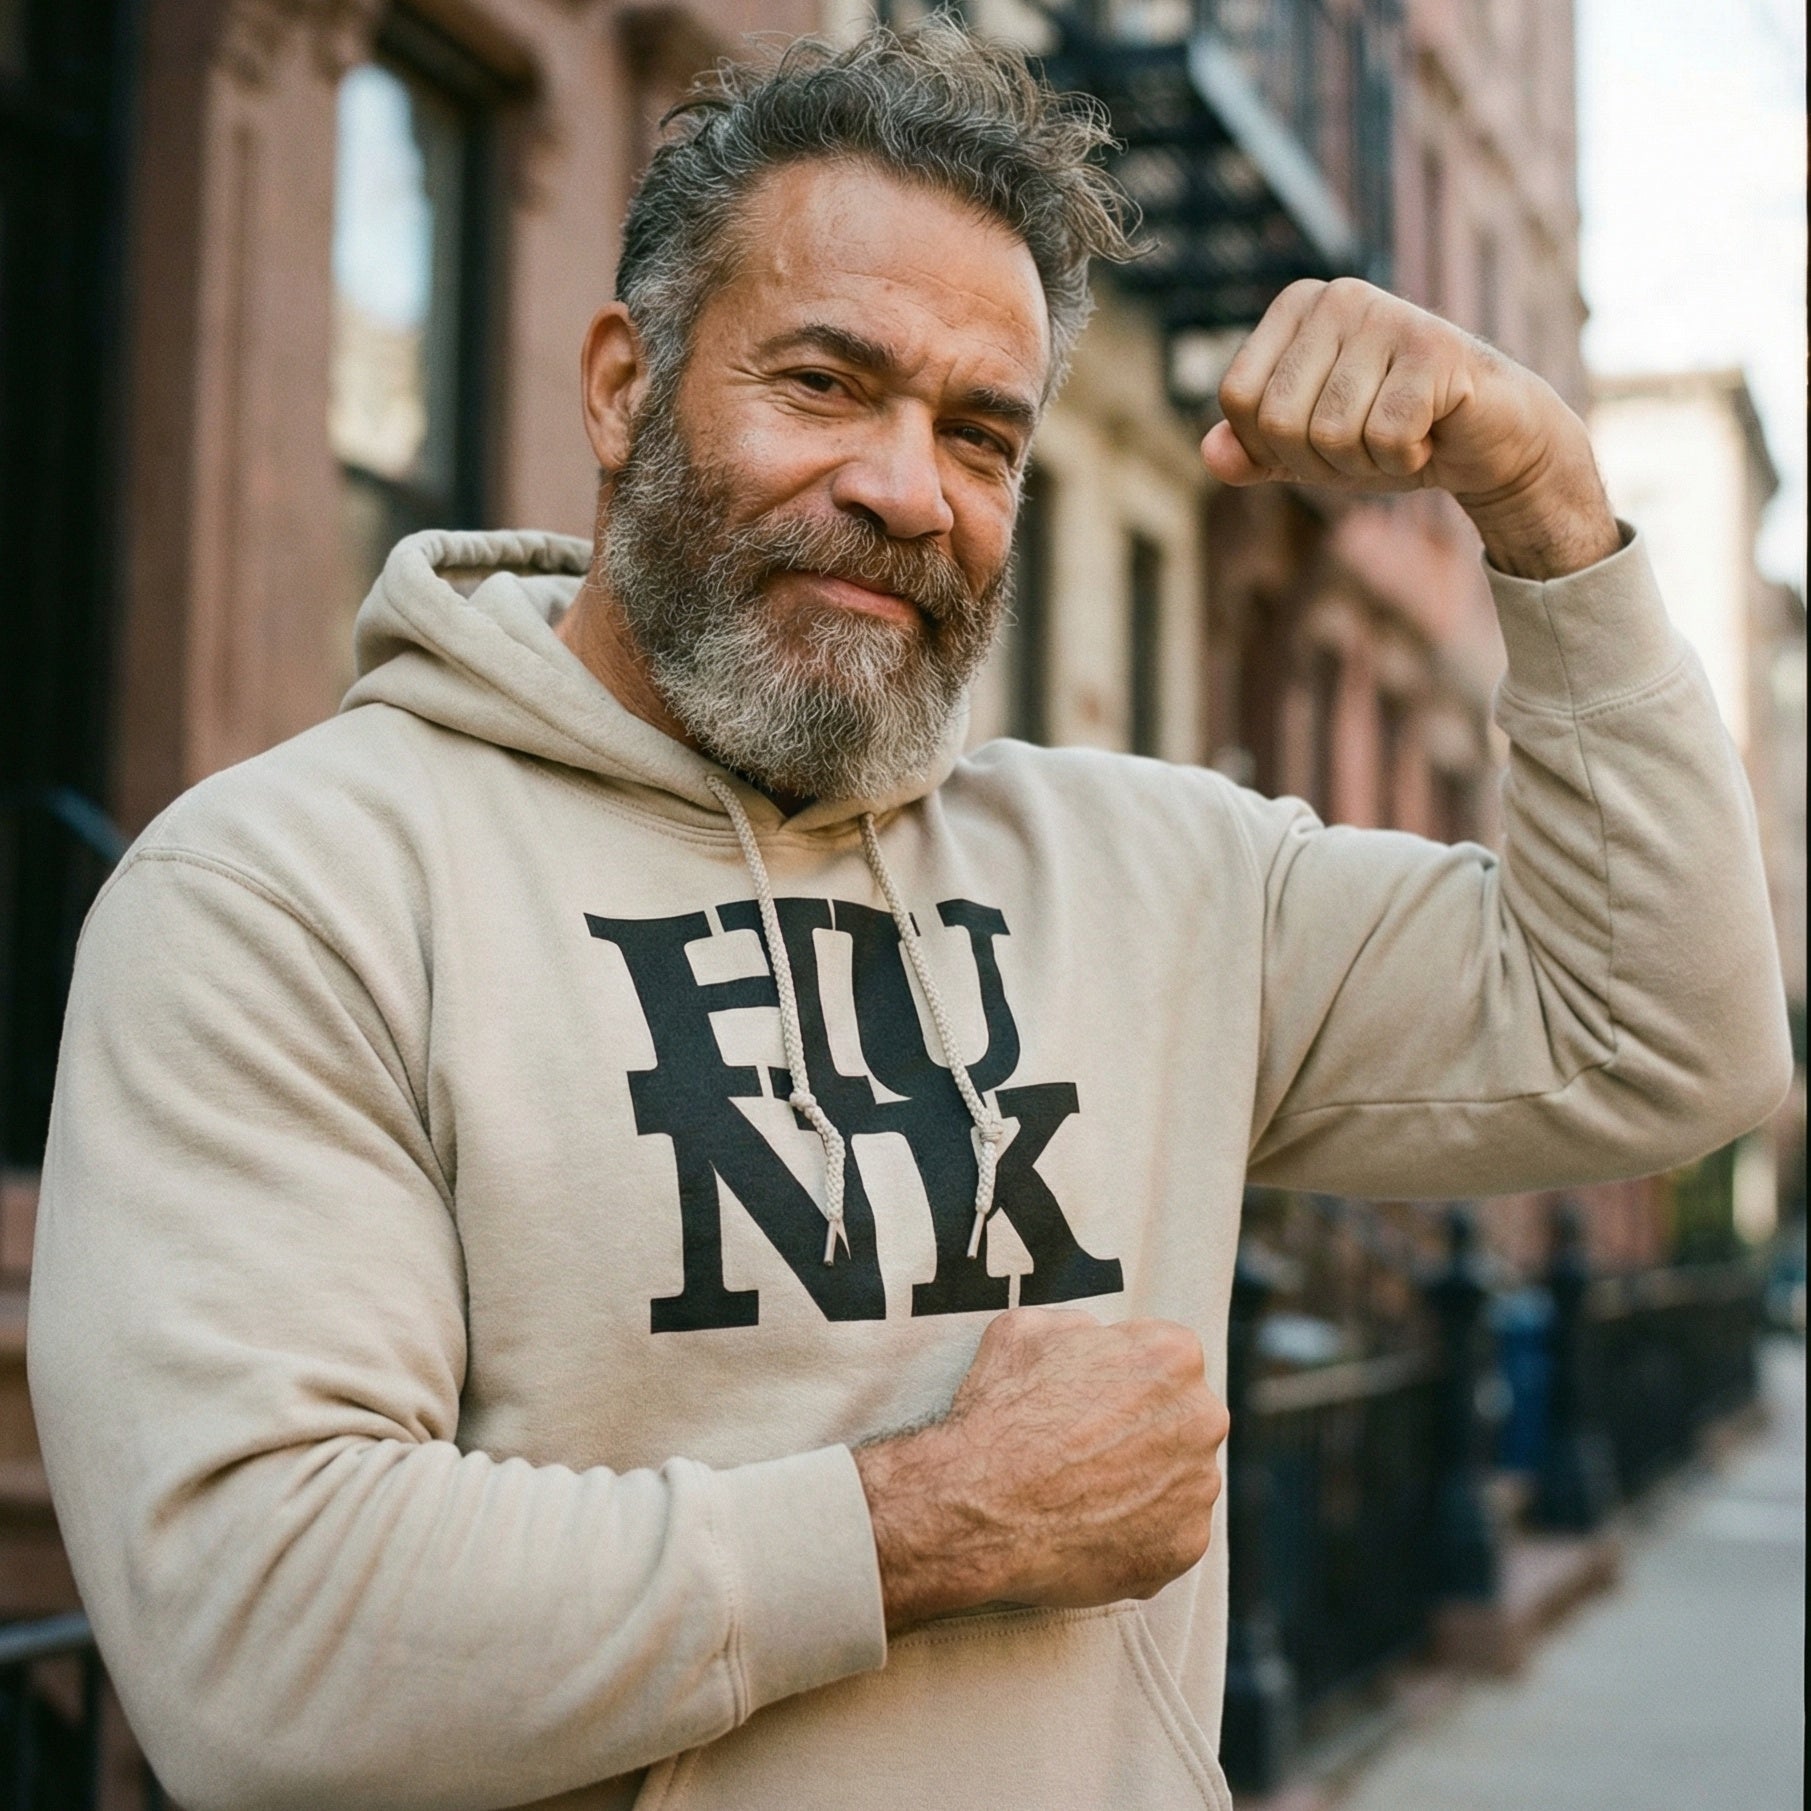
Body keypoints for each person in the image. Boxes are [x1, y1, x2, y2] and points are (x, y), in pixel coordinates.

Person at [28, 23, 1789, 1811]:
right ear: (624, 386)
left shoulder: (1163, 879)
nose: (904, 488)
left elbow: (1664, 1042)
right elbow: (258, 1639)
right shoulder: (284, 890)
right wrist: (930, 1521)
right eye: (821, 383)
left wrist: (1550, 511)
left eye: (979, 432)